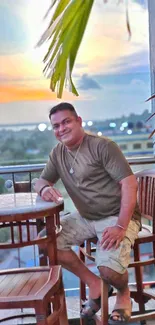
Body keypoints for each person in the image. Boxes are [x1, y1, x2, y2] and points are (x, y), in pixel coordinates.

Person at [35, 102, 141, 324]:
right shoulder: (58, 153)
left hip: (117, 215)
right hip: (86, 217)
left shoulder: (102, 146)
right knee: (47, 241)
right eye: (56, 126)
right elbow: (42, 180)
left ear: (79, 121)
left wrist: (121, 225)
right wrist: (45, 188)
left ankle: (123, 294)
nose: (61, 129)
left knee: (108, 269)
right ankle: (95, 286)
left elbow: (129, 184)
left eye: (66, 122)